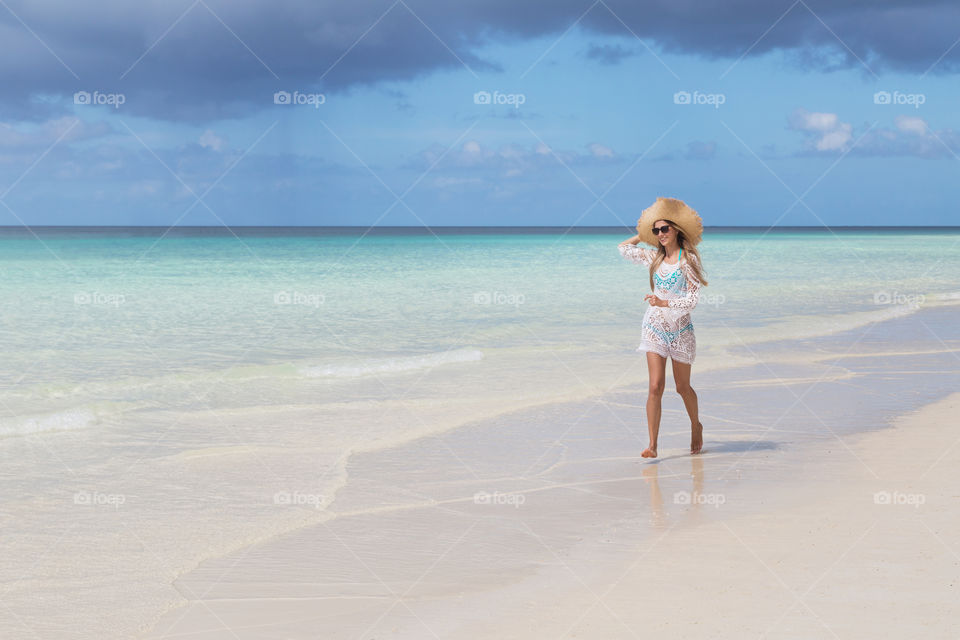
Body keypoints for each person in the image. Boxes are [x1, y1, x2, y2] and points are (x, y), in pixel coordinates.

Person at [618, 197, 710, 458]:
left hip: (681, 331)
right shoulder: (654, 258)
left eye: (664, 229)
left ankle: (696, 425)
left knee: (682, 387)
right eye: (656, 230)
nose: (660, 234)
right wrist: (641, 234)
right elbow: (623, 249)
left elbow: (692, 300)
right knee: (655, 386)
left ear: (676, 230)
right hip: (654, 327)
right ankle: (653, 445)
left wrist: (664, 301)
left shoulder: (688, 260)